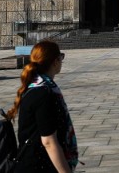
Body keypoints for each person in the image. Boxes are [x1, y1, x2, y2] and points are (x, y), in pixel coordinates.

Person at [6, 40, 78, 172]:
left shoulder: (36, 87)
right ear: (55, 61)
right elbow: (49, 141)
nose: (61, 61)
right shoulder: (43, 93)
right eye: (60, 57)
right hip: (38, 166)